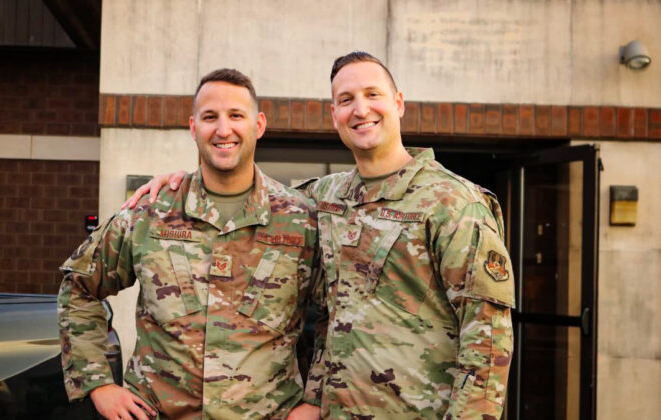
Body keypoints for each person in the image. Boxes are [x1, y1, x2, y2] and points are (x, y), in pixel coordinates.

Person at [129, 52, 515, 420]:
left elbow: (489, 340)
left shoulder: (453, 202)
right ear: (334, 115)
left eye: (372, 95)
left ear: (398, 103)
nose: (360, 109)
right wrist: (179, 185)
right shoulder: (323, 199)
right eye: (346, 100)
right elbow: (247, 198)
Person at [59, 68, 320, 420]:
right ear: (193, 127)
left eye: (236, 116)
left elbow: (336, 314)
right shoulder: (151, 213)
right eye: (210, 117)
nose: (223, 129)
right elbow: (78, 286)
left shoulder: (301, 219)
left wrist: (314, 400)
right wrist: (98, 384)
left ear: (258, 125)